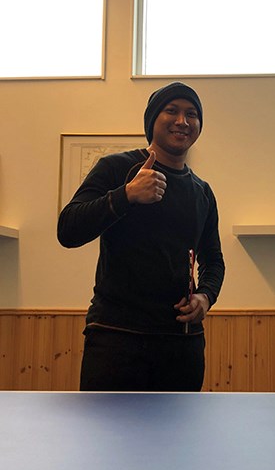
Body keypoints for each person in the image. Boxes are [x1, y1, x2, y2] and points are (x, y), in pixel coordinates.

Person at [58, 82, 225, 392]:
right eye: (171, 111)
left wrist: (206, 296)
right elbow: (67, 230)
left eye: (191, 114)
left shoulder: (202, 191)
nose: (182, 121)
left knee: (178, 442)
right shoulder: (117, 168)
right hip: (115, 339)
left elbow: (213, 261)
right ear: (152, 120)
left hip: (181, 344)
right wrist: (126, 195)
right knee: (106, 440)